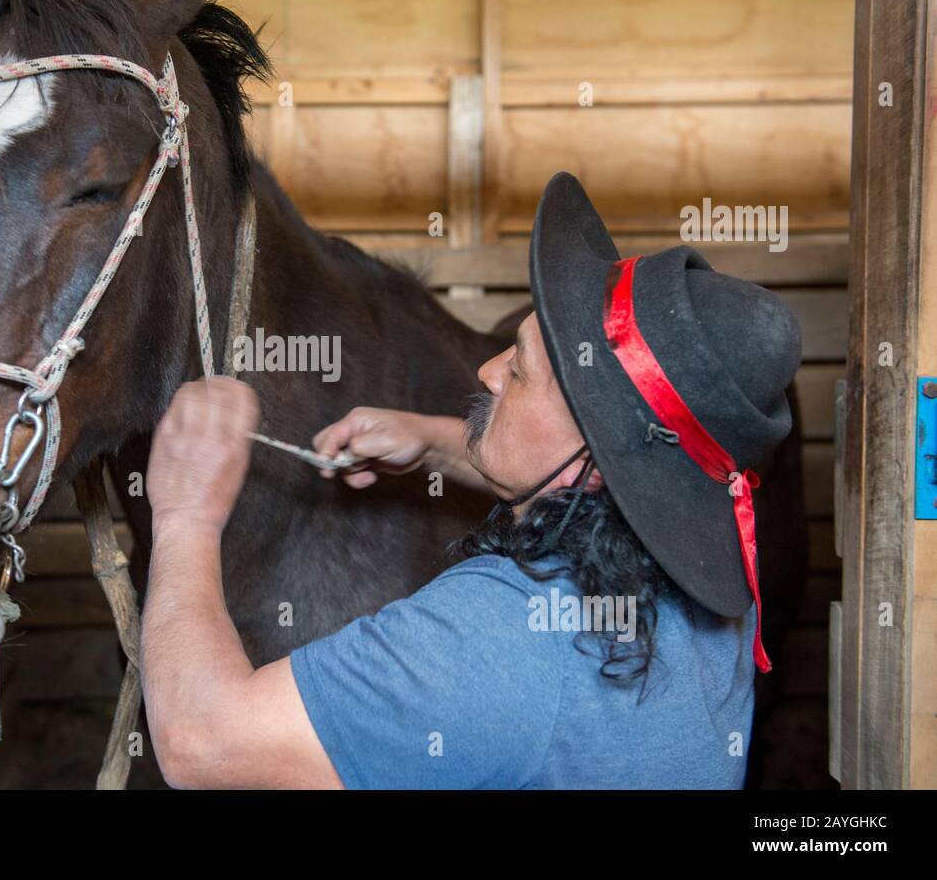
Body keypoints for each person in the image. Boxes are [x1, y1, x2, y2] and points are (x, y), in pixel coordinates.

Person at [140, 172, 802, 789]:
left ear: (598, 465)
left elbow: (201, 743)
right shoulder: (718, 577)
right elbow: (585, 490)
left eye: (520, 371)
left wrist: (185, 512)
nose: (488, 370)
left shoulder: (491, 643)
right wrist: (436, 444)